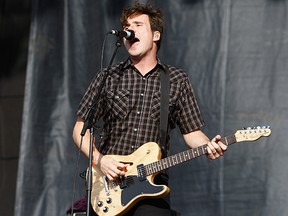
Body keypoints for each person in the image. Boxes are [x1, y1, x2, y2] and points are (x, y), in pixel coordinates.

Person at [72, 1, 227, 215]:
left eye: (138, 25)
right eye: (127, 25)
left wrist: (209, 146)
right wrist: (101, 160)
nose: (130, 30)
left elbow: (192, 132)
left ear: (155, 35)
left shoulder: (176, 80)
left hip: (151, 184)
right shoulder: (108, 76)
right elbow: (80, 130)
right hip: (108, 183)